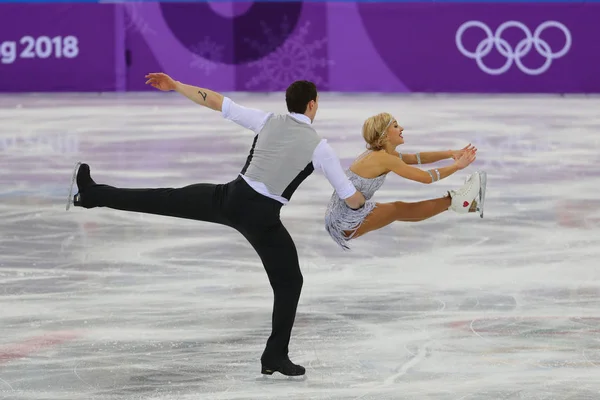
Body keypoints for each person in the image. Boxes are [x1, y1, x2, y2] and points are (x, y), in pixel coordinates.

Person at [66, 73, 366, 377]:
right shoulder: (320, 148)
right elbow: (349, 198)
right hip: (262, 219)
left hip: (230, 199)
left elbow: (217, 101)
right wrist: (366, 200)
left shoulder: (267, 120)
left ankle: (91, 195)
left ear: (289, 104)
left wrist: (177, 86)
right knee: (290, 282)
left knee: (163, 198)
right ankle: (274, 355)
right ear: (312, 105)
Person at [324, 112, 486, 250]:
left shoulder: (382, 154)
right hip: (343, 222)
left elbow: (417, 158)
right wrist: (457, 166)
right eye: (395, 126)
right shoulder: (382, 158)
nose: (401, 128)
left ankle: (459, 203)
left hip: (344, 214)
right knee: (398, 210)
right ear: (385, 135)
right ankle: (458, 202)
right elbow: (426, 178)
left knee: (399, 209)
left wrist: (451, 153)